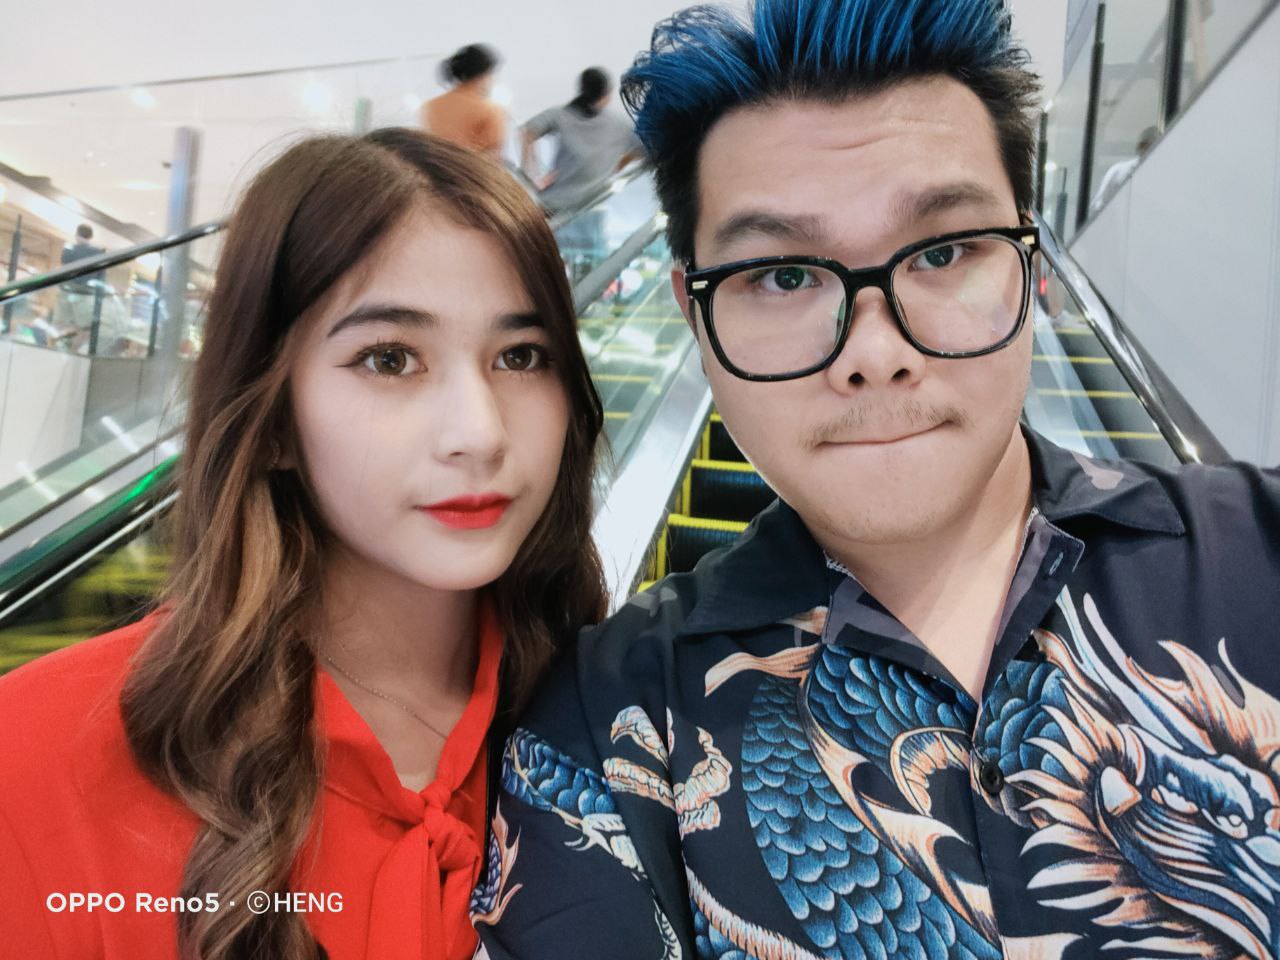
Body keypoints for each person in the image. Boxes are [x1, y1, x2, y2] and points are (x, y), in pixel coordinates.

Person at [472, 2, 1280, 959]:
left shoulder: (1259, 553)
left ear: (1032, 264)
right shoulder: (607, 728)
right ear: (693, 314)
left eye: (943, 252)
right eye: (782, 276)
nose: (875, 353)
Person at [0, 128, 606, 960]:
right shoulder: (40, 756)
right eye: (390, 359)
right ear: (274, 416)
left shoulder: (627, 724)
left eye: (522, 355)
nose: (480, 432)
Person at [521, 68, 643, 216]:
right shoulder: (619, 124)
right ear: (607, 96)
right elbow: (645, 149)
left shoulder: (561, 114)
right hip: (590, 207)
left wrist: (532, 175)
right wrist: (619, 165)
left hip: (554, 204)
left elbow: (527, 132)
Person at [421, 44, 508, 158]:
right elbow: (493, 157)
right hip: (472, 168)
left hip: (438, 167)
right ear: (483, 75)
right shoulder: (489, 109)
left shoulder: (431, 106)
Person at [1088, 125, 1158, 215]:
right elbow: (1098, 205)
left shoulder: (1161, 177)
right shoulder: (1119, 171)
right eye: (1152, 145)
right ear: (1141, 146)